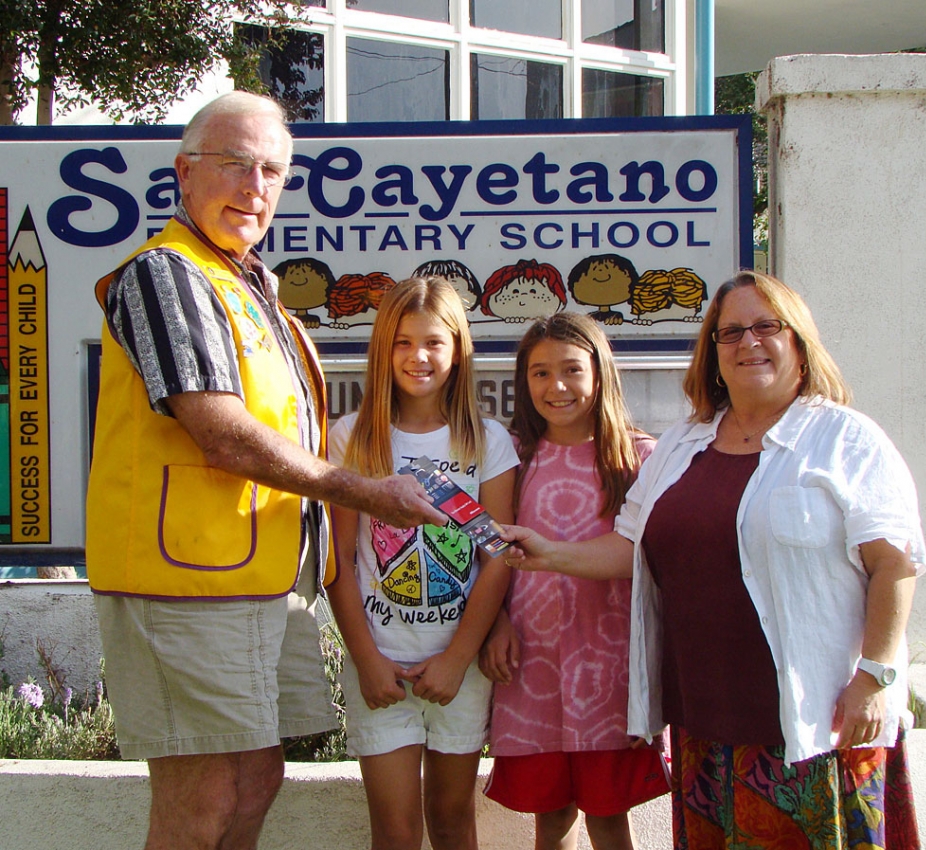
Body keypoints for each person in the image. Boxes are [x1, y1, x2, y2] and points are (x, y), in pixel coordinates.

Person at [85, 91, 445, 850]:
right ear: (185, 173)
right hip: (182, 581)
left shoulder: (250, 285)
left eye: (272, 171)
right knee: (204, 795)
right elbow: (223, 436)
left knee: (254, 779)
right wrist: (366, 493)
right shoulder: (166, 274)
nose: (255, 187)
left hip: (254, 579)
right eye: (235, 165)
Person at [502, 271, 925, 849]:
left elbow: (896, 564)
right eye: (730, 332)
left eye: (766, 326)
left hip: (813, 721)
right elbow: (631, 547)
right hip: (704, 720)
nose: (748, 342)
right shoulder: (683, 444)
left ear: (798, 342)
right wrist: (552, 554)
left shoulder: (845, 440)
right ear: (713, 352)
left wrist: (874, 678)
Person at [326, 276, 518, 850]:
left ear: (458, 349)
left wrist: (459, 658)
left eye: (434, 342)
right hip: (380, 664)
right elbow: (337, 558)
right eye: (403, 342)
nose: (418, 357)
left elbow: (500, 556)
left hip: (459, 669)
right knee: (395, 829)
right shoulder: (351, 439)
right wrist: (364, 659)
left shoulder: (487, 440)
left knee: (454, 818)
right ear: (383, 349)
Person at [478, 313, 669, 850]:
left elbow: (650, 561)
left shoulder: (640, 458)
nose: (555, 386)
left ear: (599, 373)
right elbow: (485, 549)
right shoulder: (513, 456)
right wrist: (495, 622)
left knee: (608, 816)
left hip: (608, 669)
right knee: (551, 816)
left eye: (570, 370)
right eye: (539, 373)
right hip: (529, 660)